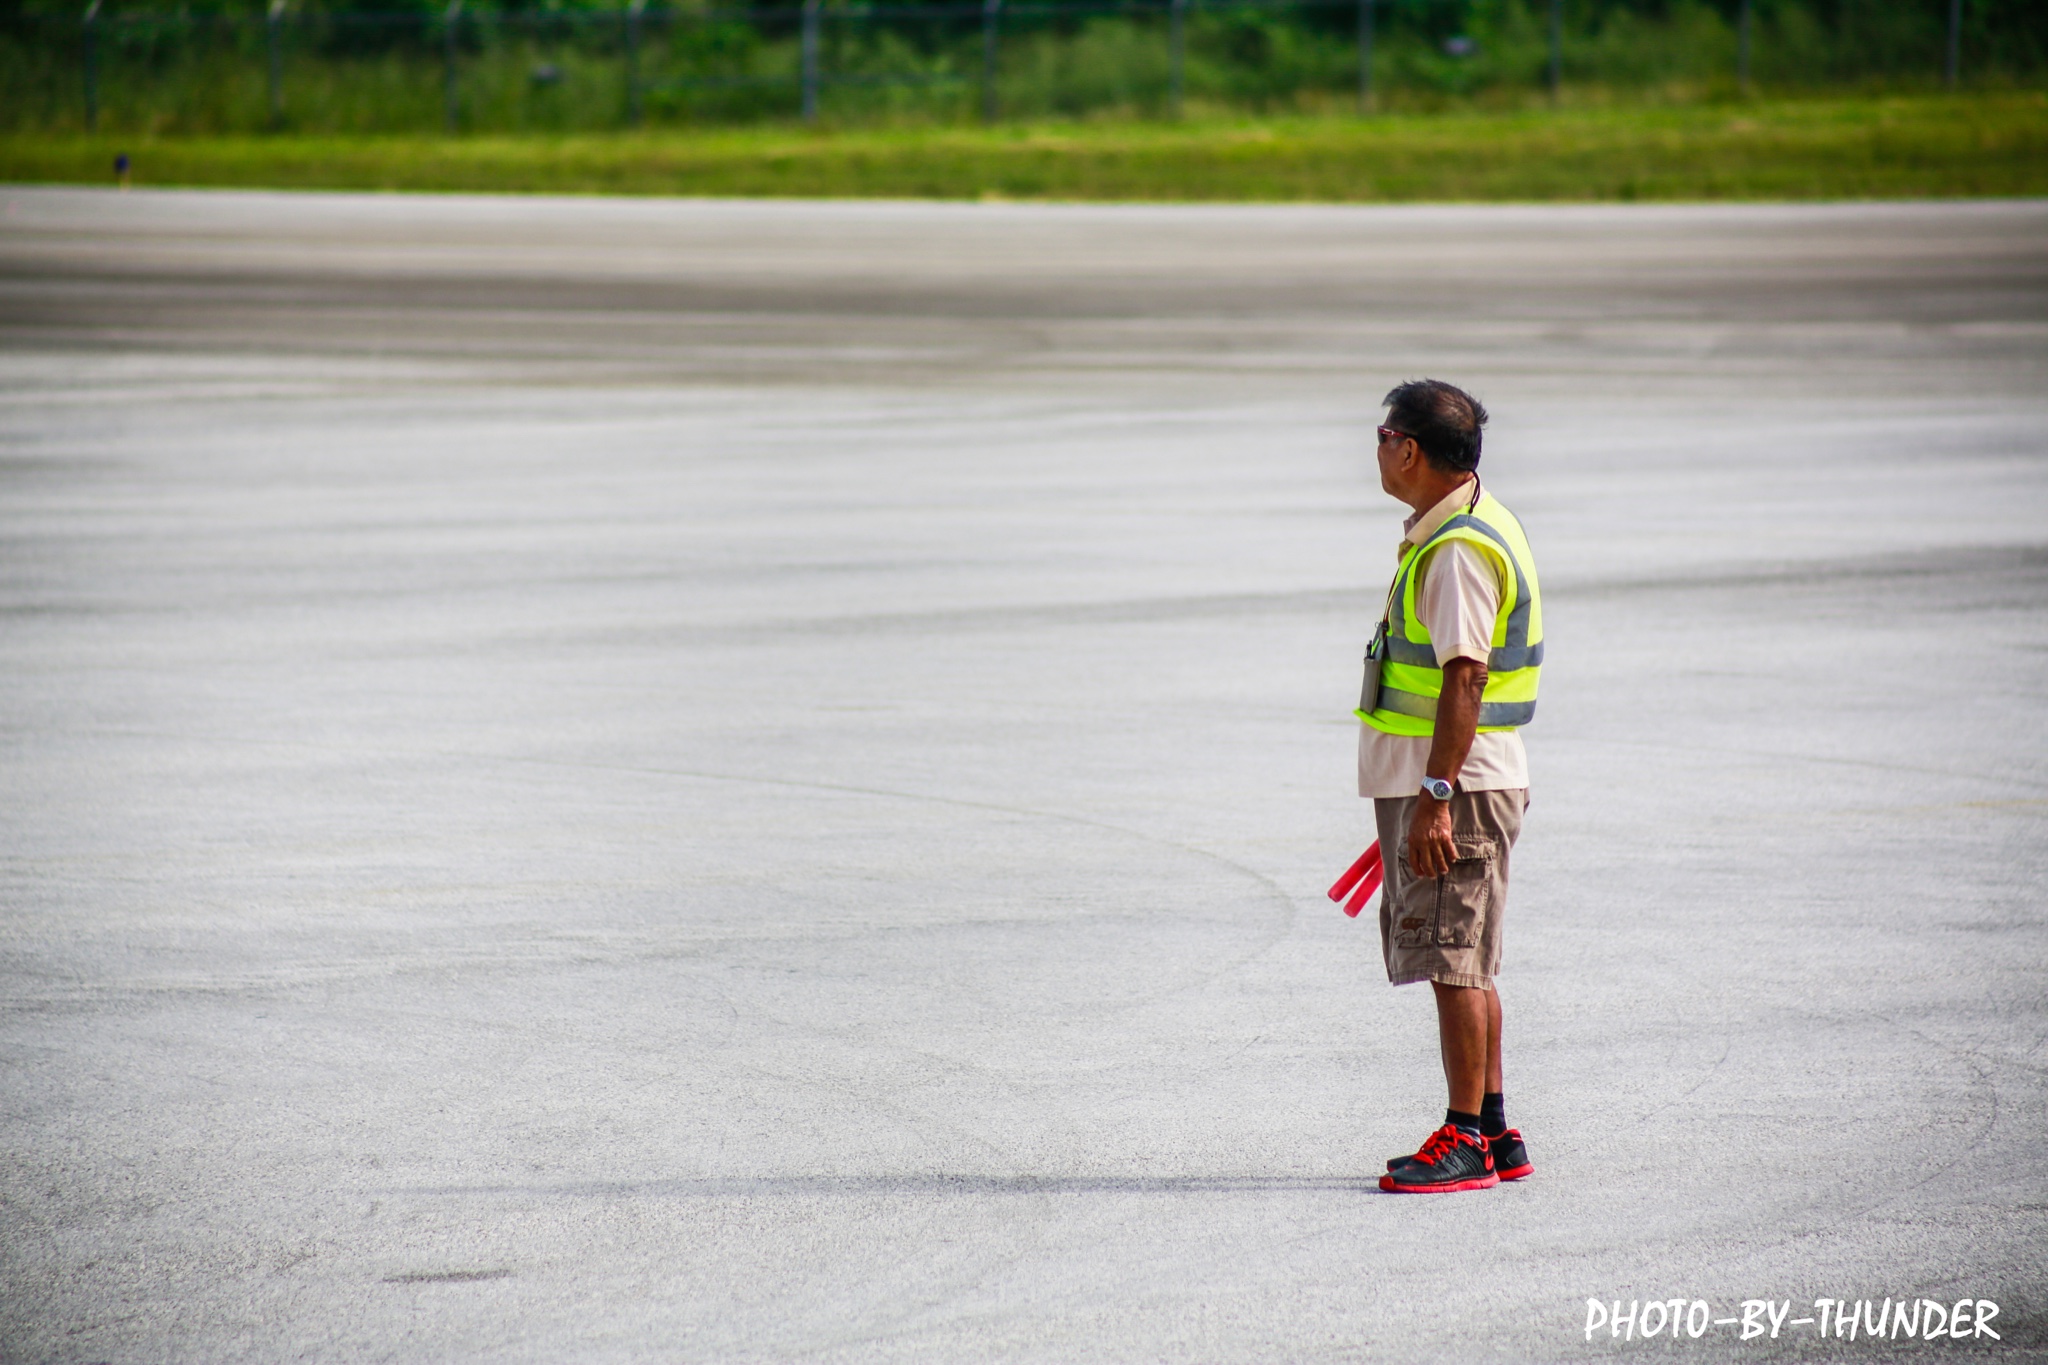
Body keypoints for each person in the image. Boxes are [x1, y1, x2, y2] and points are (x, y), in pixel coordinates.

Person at [1357, 379, 1542, 1194]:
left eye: (1384, 432)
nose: (1378, 447)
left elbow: (1465, 678)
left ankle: (1463, 1136)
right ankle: (1494, 1130)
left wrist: (1434, 794)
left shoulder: (1459, 549)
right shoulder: (1468, 521)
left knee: (1456, 961)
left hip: (1457, 791)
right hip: (1455, 784)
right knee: (1469, 956)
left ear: (1414, 451)